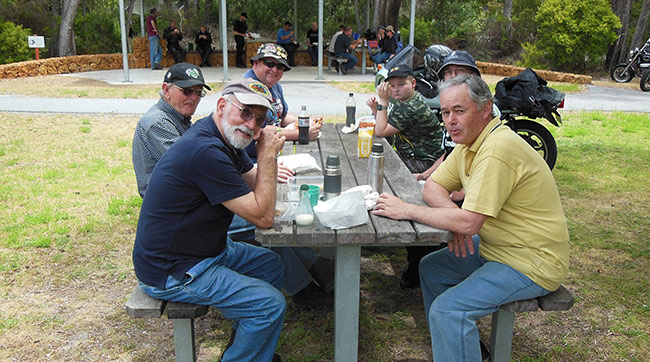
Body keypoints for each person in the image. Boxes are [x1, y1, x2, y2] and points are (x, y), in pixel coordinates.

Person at [372, 74, 569, 362]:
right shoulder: (468, 144)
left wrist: (408, 209)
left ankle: (456, 343)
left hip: (530, 261)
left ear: (485, 109)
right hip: (497, 248)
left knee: (449, 310)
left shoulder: (497, 150)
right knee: (431, 268)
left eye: (459, 111)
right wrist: (458, 220)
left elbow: (469, 223)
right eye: (445, 112)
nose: (450, 120)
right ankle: (463, 349)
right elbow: (433, 187)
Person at [133, 78, 287, 361]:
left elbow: (253, 183)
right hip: (172, 269)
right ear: (221, 106)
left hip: (204, 250)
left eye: (260, 119)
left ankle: (247, 343)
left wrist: (264, 163)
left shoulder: (222, 138)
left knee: (272, 264)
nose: (252, 125)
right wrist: (266, 157)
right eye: (245, 112)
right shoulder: (206, 151)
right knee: (269, 304)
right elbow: (262, 217)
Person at [241, 43, 334, 308]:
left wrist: (305, 121)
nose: (275, 70)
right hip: (248, 166)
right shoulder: (249, 90)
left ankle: (317, 269)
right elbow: (259, 133)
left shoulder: (273, 88)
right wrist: (298, 133)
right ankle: (305, 286)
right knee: (276, 218)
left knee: (292, 205)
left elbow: (281, 117)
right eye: (269, 63)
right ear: (254, 63)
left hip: (258, 163)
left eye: (280, 66)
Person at [367, 64, 446, 289]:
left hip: (423, 162)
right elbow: (388, 126)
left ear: (413, 83)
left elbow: (381, 131)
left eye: (401, 84)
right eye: (391, 86)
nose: (395, 90)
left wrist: (382, 104)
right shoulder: (407, 103)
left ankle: (416, 259)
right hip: (420, 158)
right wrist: (379, 110)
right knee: (375, 166)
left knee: (381, 174)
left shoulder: (409, 107)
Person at [132, 62, 210, 197]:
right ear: (166, 90)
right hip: (170, 204)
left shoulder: (179, 118)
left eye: (199, 93)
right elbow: (190, 166)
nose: (194, 98)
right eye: (187, 91)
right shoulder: (157, 122)